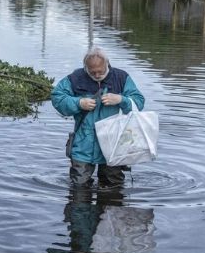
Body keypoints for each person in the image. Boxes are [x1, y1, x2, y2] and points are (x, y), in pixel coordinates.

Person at [51, 46, 145, 187]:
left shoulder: (121, 78)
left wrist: (120, 99)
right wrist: (79, 103)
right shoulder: (75, 79)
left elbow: (139, 102)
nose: (96, 75)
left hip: (113, 144)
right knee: (79, 187)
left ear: (107, 63)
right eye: (92, 72)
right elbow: (57, 98)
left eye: (100, 71)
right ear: (85, 67)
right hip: (83, 144)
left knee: (113, 186)